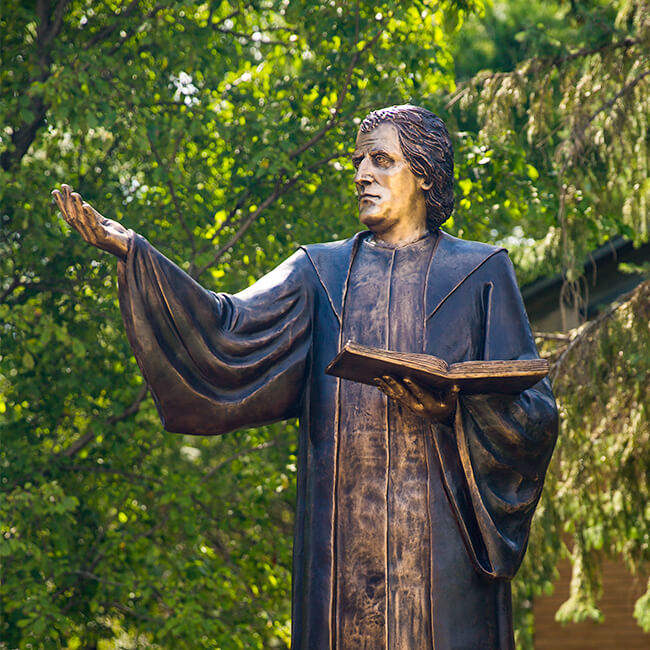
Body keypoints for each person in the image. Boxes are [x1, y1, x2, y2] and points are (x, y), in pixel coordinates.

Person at [53, 105, 558, 650]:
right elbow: (227, 327)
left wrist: (456, 407)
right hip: (341, 544)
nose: (362, 173)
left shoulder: (481, 272)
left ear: (426, 173)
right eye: (359, 160)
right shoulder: (318, 272)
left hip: (443, 545)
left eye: (382, 160)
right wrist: (134, 251)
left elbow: (533, 412)